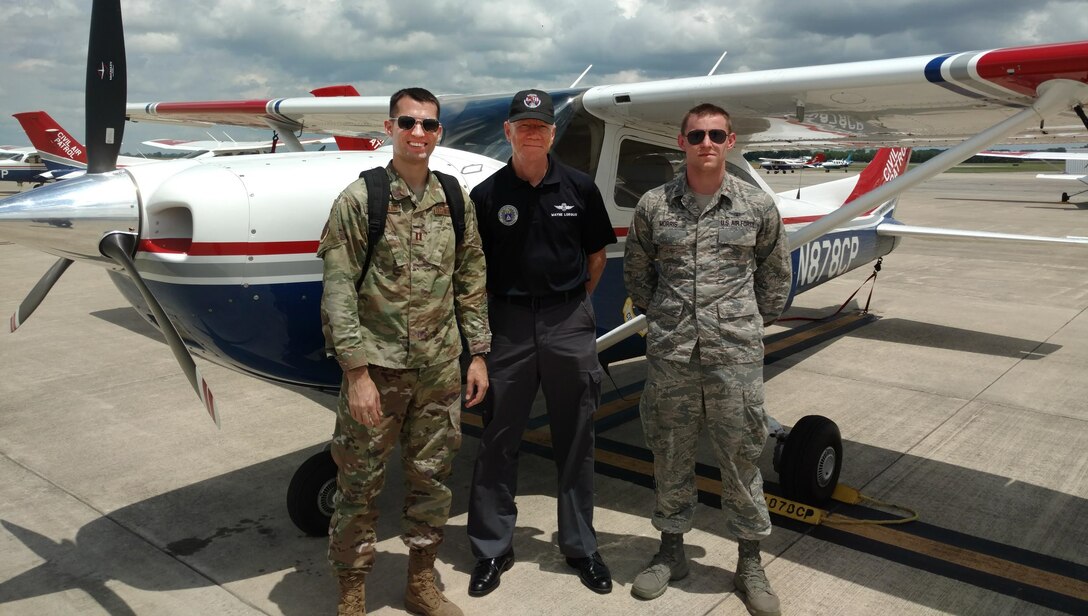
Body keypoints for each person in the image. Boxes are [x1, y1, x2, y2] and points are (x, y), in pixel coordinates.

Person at [318, 87, 491, 616]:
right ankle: (351, 591)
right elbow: (338, 290)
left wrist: (477, 353)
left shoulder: (456, 200)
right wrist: (356, 372)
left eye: (429, 125)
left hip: (439, 370)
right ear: (390, 128)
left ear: (439, 133)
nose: (419, 133)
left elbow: (470, 277)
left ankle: (420, 581)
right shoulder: (360, 199)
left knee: (433, 481)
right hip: (379, 371)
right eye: (409, 123)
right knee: (359, 485)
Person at [623, 103, 791, 616]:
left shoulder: (755, 205)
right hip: (673, 353)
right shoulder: (654, 205)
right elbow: (638, 275)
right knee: (669, 452)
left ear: (730, 139)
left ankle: (749, 563)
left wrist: (741, 324)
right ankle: (670, 551)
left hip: (734, 356)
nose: (707, 143)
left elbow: (776, 276)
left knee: (742, 457)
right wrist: (672, 318)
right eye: (697, 135)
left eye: (716, 134)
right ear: (682, 142)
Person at [466, 89, 618, 597]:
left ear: (553, 134)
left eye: (541, 125)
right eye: (523, 125)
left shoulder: (579, 188)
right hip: (507, 323)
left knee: (576, 437)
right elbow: (475, 272)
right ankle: (492, 548)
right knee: (497, 440)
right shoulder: (486, 197)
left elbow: (595, 256)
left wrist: (570, 307)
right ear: (508, 132)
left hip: (567, 320)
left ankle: (579, 546)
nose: (532, 132)